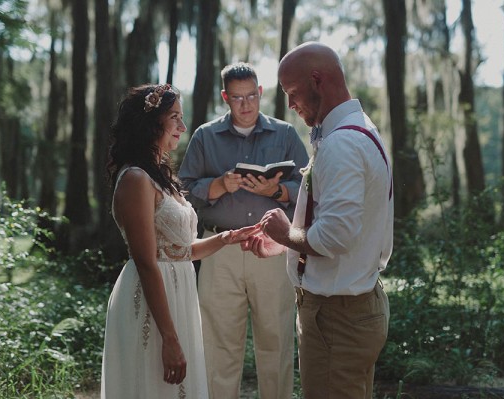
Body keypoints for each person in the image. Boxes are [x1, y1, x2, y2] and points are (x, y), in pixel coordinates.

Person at [242, 42, 393, 398]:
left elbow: (336, 237)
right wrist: (286, 244)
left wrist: (283, 232)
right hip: (349, 308)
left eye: (292, 93)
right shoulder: (359, 130)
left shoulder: (342, 144)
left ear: (317, 80)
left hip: (336, 319)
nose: (291, 104)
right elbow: (340, 227)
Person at [101, 83, 255, 399]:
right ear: (151, 123)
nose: (183, 128)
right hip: (150, 301)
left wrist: (226, 238)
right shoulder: (135, 179)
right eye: (175, 118)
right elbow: (146, 261)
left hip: (179, 293)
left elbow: (179, 251)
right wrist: (168, 337)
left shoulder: (162, 178)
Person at [178, 62, 309, 399]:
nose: (246, 105)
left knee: (276, 340)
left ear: (260, 92)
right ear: (225, 97)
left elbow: (310, 189)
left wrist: (277, 193)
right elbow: (182, 192)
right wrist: (218, 186)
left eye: (252, 95)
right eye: (237, 98)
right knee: (218, 343)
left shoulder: (286, 134)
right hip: (219, 249)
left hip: (274, 247)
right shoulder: (205, 136)